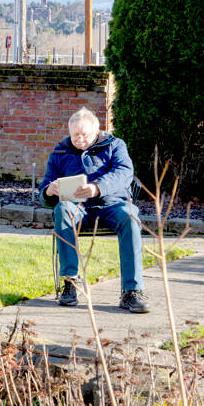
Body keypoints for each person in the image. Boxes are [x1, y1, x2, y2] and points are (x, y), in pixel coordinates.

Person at [38, 107, 149, 313]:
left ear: (97, 131)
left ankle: (132, 291)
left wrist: (96, 187)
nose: (79, 140)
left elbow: (124, 173)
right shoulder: (60, 152)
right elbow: (43, 190)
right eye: (74, 135)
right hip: (78, 209)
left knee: (130, 216)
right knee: (62, 209)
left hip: (112, 205)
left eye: (84, 135)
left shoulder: (115, 145)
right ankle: (71, 282)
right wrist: (49, 191)